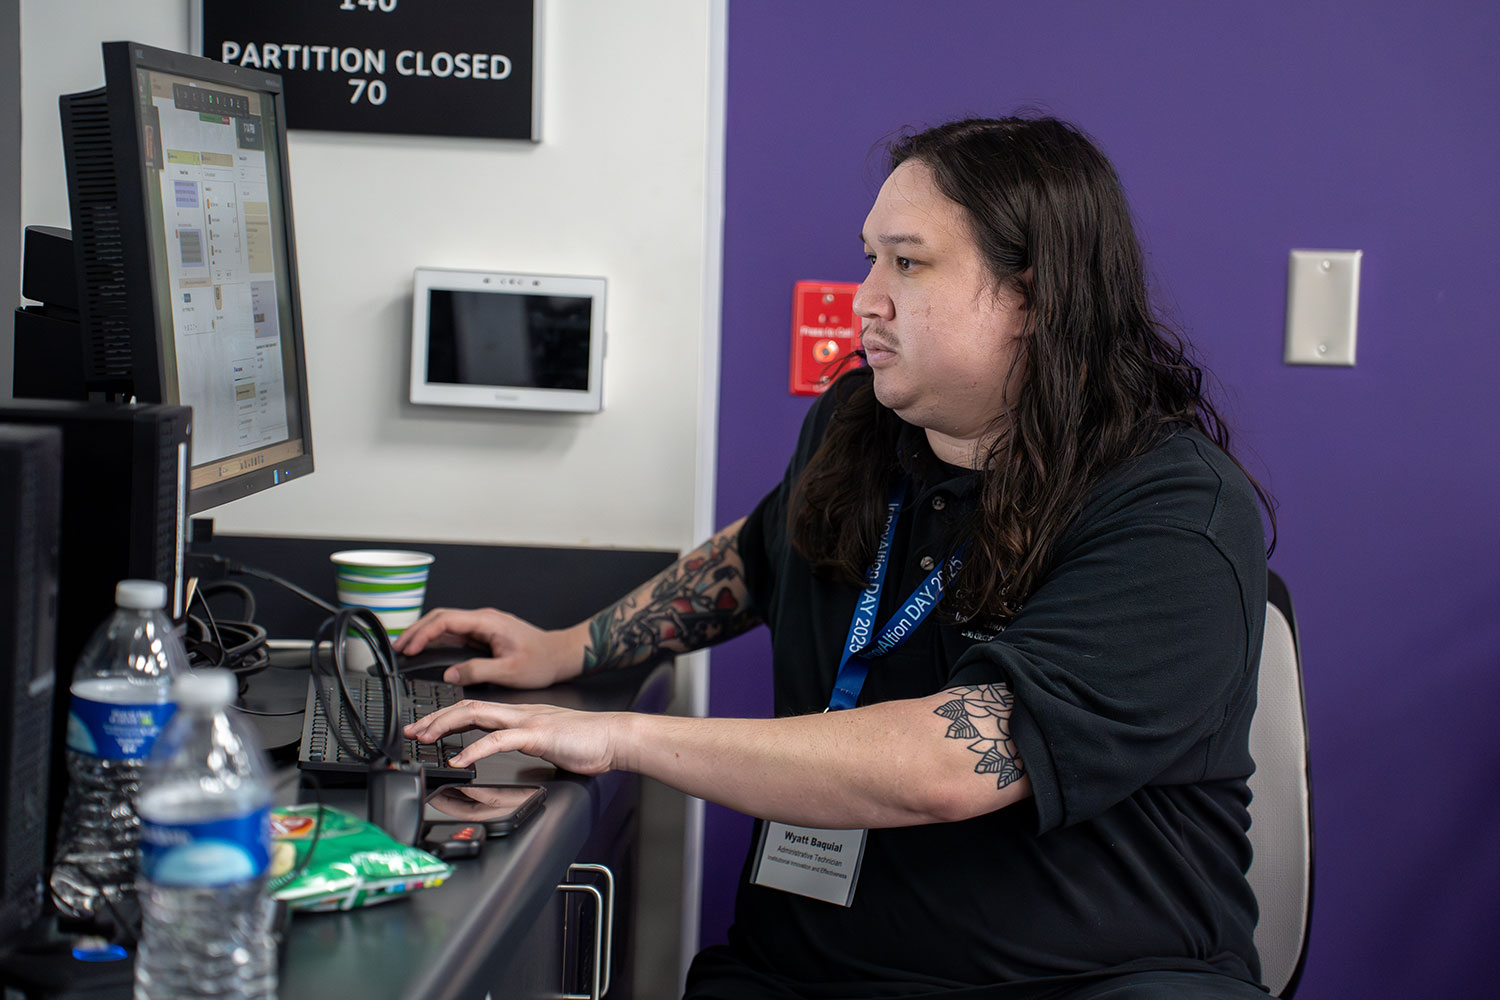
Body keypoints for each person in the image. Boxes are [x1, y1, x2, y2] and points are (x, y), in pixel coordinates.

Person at [398, 116, 1275, 999]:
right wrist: (569, 648)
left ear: (1034, 297)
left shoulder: (1175, 511)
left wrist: (624, 736)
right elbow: (758, 554)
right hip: (804, 974)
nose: (865, 297)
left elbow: (954, 761)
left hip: (1087, 982)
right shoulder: (862, 423)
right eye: (868, 259)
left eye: (908, 262)